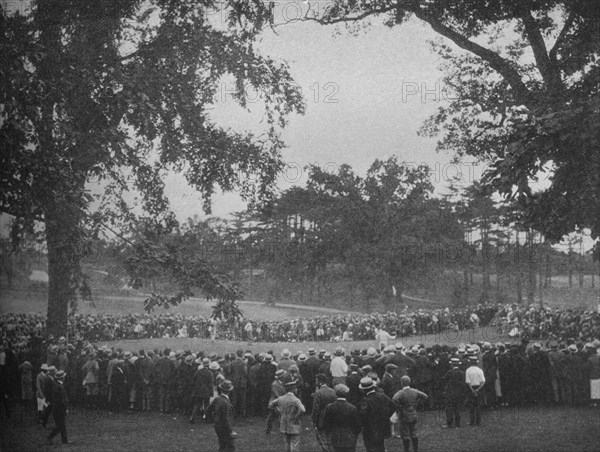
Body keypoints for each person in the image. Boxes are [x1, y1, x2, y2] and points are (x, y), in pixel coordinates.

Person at [357, 376, 395, 452]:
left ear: (364, 389)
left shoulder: (365, 400)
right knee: (381, 447)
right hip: (382, 427)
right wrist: (386, 416)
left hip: (370, 429)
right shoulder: (382, 395)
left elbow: (362, 416)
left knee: (371, 448)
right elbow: (393, 406)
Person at [268, 377, 306, 452]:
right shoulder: (296, 399)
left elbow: (270, 405)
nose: (297, 390)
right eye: (296, 388)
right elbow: (302, 410)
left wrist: (279, 411)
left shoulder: (281, 398)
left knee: (287, 443)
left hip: (283, 423)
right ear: (293, 389)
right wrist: (296, 416)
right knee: (294, 443)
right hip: (294, 423)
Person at [320, 384, 362, 452]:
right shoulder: (352, 408)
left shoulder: (330, 407)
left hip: (334, 438)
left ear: (336, 393)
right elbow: (357, 425)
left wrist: (329, 432)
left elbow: (325, 424)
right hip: (349, 439)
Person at [393, 375, 428, 452]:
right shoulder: (414, 391)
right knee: (414, 433)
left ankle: (406, 450)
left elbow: (394, 399)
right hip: (413, 413)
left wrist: (400, 407)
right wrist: (417, 403)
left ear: (402, 383)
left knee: (405, 434)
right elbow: (425, 396)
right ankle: (416, 450)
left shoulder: (401, 393)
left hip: (404, 415)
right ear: (409, 382)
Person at [209, 379, 237, 452]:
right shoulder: (226, 403)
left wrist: (214, 419)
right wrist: (230, 431)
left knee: (222, 445)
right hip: (225, 428)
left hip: (218, 426)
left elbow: (208, 410)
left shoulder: (217, 399)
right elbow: (226, 418)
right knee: (230, 447)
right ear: (230, 391)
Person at [312, 373, 337, 452]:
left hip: (321, 419)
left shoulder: (318, 393)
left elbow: (315, 409)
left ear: (320, 382)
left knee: (322, 439)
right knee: (330, 438)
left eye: (316, 381)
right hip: (332, 418)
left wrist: (314, 421)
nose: (315, 382)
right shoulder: (333, 391)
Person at [47, 370, 72, 445]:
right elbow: (61, 400)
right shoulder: (59, 386)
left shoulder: (57, 385)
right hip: (59, 408)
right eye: (64, 377)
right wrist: (65, 408)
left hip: (57, 408)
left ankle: (64, 440)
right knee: (60, 425)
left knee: (61, 425)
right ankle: (50, 436)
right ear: (62, 378)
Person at [441, 357, 466, 428]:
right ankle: (458, 423)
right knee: (457, 408)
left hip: (450, 392)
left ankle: (449, 423)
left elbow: (443, 379)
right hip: (459, 393)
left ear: (452, 364)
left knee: (449, 408)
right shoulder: (461, 373)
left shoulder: (450, 372)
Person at [465, 355, 485, 426]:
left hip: (471, 388)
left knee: (471, 406)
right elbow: (483, 381)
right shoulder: (480, 370)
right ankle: (478, 422)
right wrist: (477, 390)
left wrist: (473, 390)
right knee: (478, 406)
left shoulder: (468, 370)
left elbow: (468, 382)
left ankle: (472, 421)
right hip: (479, 388)